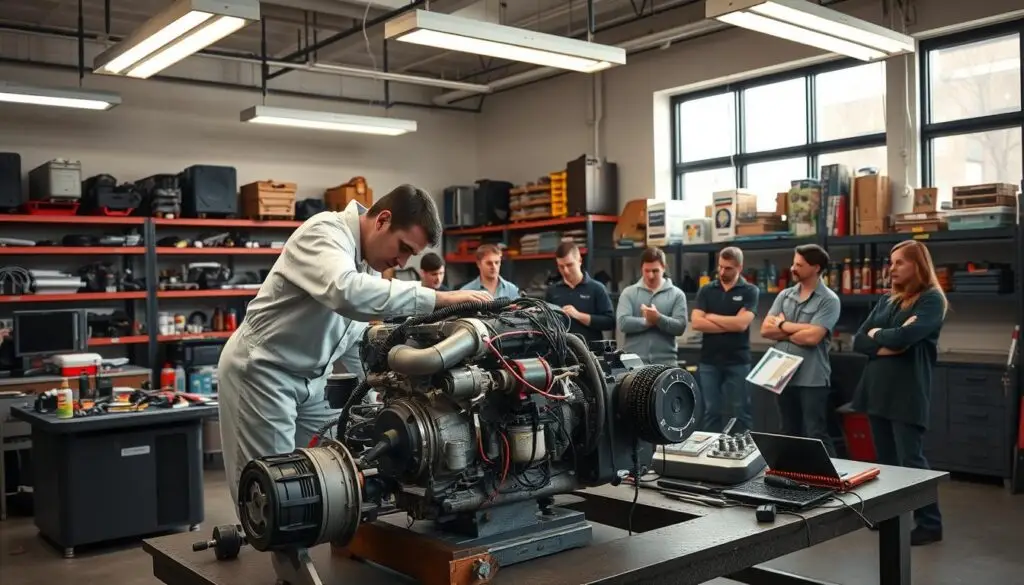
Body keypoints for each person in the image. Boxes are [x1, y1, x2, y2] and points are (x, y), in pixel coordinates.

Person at [217, 185, 491, 504]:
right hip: (262, 374)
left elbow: (353, 339)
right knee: (272, 490)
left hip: (312, 381)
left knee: (334, 469)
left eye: (411, 255)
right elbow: (346, 293)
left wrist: (380, 391)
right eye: (403, 247)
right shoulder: (324, 233)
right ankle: (272, 534)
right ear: (382, 220)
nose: (402, 260)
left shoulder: (367, 262)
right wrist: (438, 299)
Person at [851, 240, 946, 546]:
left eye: (899, 262)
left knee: (911, 460)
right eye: (890, 263)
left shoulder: (931, 300)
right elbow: (858, 340)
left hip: (907, 391)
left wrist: (878, 334)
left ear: (917, 265)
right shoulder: (887, 300)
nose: (891, 268)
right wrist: (886, 340)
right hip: (877, 389)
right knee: (887, 461)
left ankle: (930, 523)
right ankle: (891, 517)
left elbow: (906, 337)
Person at [760, 244, 841, 455]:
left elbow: (813, 337)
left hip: (812, 378)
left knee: (816, 433)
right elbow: (765, 330)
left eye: (799, 265)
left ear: (816, 268)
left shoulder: (829, 300)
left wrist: (782, 325)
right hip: (782, 374)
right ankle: (791, 472)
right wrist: (797, 331)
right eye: (794, 263)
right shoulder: (785, 295)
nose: (793, 268)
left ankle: (831, 473)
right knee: (788, 431)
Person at [690, 246, 759, 433]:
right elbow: (696, 322)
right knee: (710, 411)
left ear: (739, 268)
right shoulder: (706, 290)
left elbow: (741, 325)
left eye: (728, 268)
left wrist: (711, 316)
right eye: (720, 267)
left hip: (738, 361)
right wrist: (731, 322)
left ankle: (743, 449)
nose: (722, 272)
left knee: (740, 411)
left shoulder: (750, 291)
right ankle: (711, 450)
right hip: (709, 361)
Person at [616, 247, 688, 366]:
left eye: (655, 271)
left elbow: (680, 326)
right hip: (634, 363)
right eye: (647, 271)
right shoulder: (628, 293)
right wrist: (647, 322)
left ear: (664, 268)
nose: (650, 275)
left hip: (666, 363)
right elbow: (623, 323)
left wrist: (658, 318)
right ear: (641, 269)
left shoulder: (677, 294)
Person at [544, 242, 614, 345]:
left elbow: (610, 322)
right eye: (561, 267)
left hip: (590, 351)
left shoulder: (597, 288)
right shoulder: (552, 291)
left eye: (569, 265)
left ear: (580, 261)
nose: (565, 271)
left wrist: (578, 315)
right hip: (561, 350)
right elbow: (546, 324)